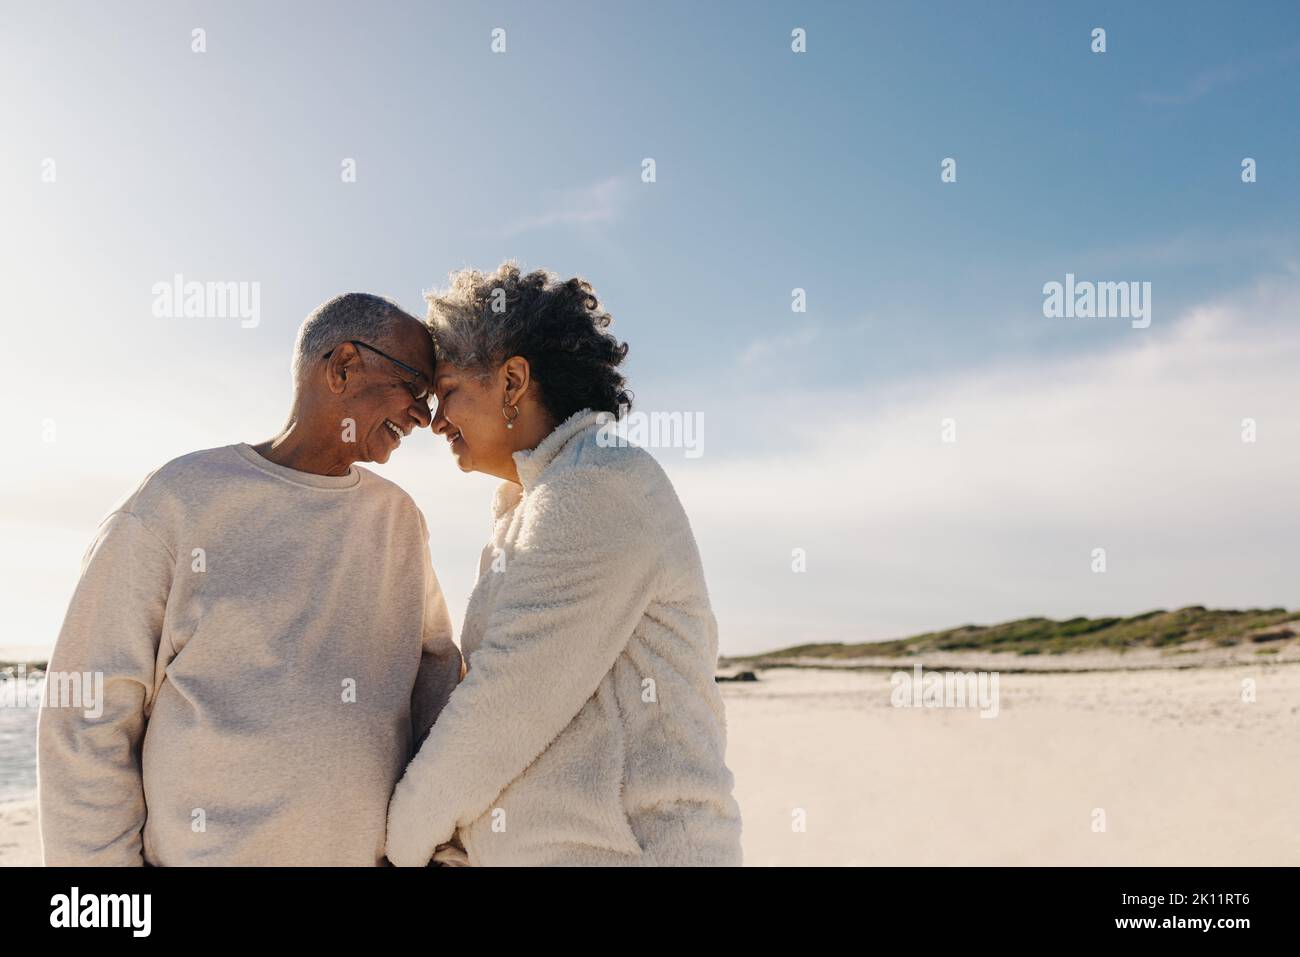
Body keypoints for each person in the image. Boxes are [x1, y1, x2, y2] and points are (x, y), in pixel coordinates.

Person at [38, 293, 463, 866]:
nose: (424, 416)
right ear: (342, 366)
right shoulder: (177, 501)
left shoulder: (400, 523)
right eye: (415, 387)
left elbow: (438, 698)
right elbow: (86, 716)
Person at [385, 263, 742, 866]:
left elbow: (506, 704)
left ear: (513, 381)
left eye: (447, 392)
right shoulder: (536, 500)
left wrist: (400, 846)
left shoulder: (598, 485)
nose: (435, 421)